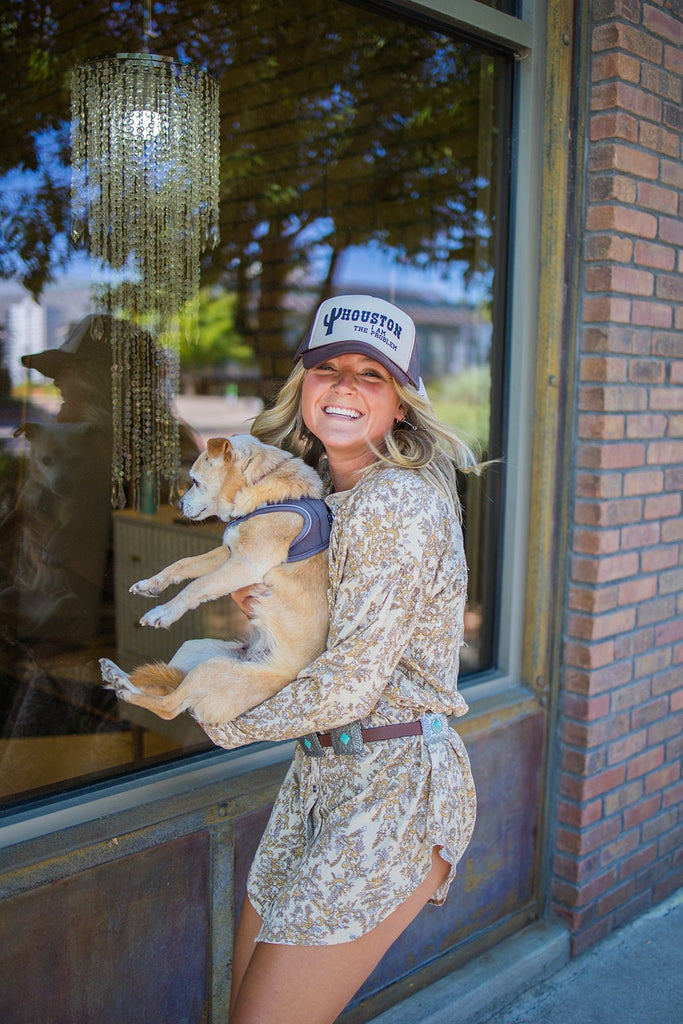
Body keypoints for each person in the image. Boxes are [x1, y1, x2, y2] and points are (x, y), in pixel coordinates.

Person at [195, 294, 479, 1023]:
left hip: (391, 789)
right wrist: (266, 621)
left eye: (371, 375)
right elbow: (327, 647)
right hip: (320, 777)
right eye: (329, 369)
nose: (345, 387)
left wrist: (223, 718)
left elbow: (350, 685)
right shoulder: (325, 496)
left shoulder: (396, 502)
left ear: (402, 405)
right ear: (304, 388)